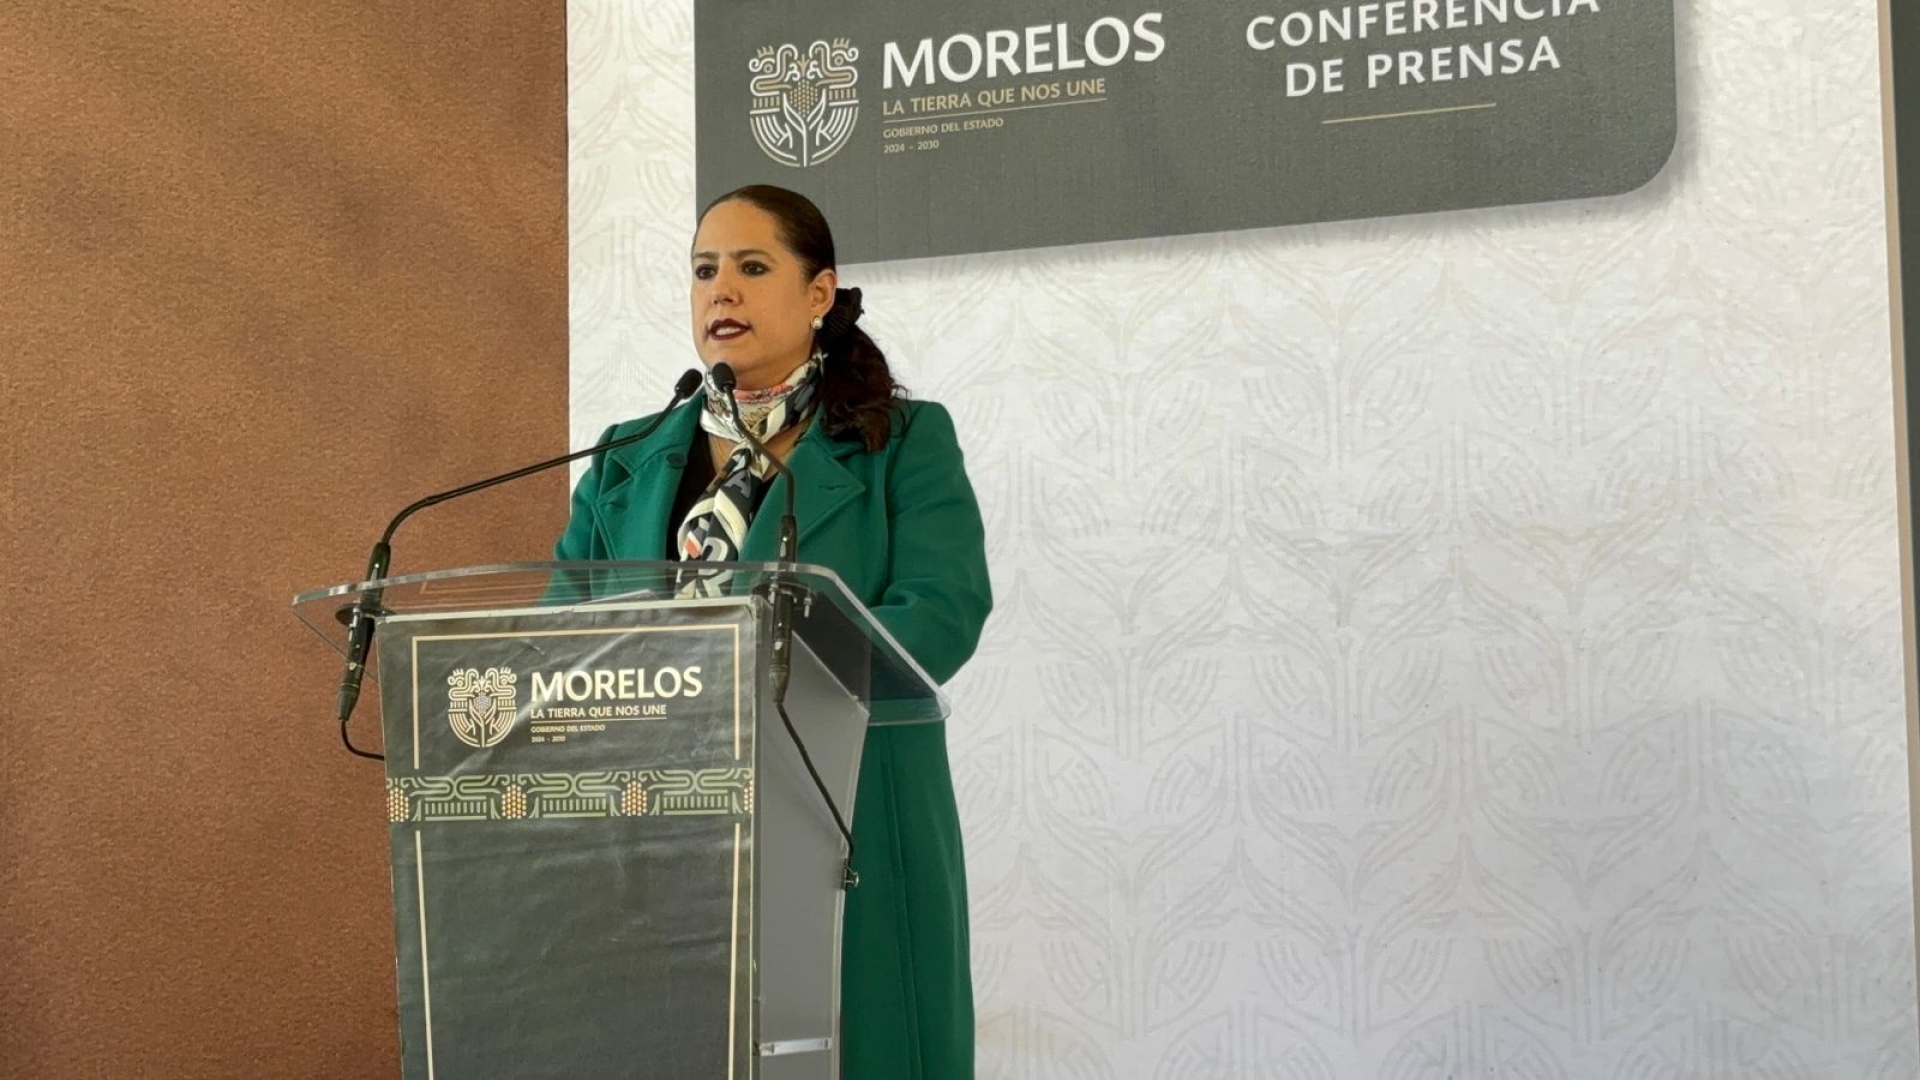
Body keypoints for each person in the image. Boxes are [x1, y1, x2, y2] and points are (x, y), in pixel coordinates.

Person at [553, 184, 992, 1079]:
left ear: (819, 293)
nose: (721, 290)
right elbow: (561, 630)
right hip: (661, 826)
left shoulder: (901, 440)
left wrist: (759, 678)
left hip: (847, 814)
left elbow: (942, 610)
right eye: (703, 271)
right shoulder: (625, 459)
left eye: (752, 267)